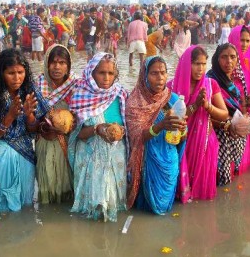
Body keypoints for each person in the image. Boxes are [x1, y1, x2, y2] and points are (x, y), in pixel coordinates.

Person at [0, 49, 49, 212]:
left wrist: (30, 115)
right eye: (11, 73)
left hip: (25, 152)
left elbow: (35, 129)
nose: (17, 78)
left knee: (26, 202)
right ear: (2, 72)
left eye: (20, 72)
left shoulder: (30, 90)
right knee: (2, 203)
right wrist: (9, 116)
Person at [68, 52, 127, 222]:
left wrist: (119, 131)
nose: (106, 78)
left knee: (113, 200)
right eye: (101, 73)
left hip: (115, 156)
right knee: (93, 206)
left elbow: (127, 128)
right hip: (90, 157)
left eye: (110, 73)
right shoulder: (80, 96)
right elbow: (76, 133)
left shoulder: (120, 94)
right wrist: (97, 129)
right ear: (92, 73)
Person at [126, 56, 187, 214]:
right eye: (154, 73)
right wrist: (160, 126)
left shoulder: (173, 99)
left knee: (166, 208)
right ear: (144, 76)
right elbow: (135, 137)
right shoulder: (135, 102)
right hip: (147, 160)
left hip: (169, 159)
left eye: (163, 73)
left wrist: (183, 130)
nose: (160, 78)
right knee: (145, 210)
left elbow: (182, 138)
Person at [169, 45, 229, 202]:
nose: (200, 69)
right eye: (196, 64)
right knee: (177, 192)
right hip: (180, 142)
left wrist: (207, 106)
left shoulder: (210, 85)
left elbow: (224, 114)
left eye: (204, 64)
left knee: (200, 196)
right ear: (186, 63)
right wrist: (194, 106)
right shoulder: (171, 87)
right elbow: (171, 119)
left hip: (204, 145)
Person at [35, 45, 78, 204]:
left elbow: (80, 117)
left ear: (68, 66)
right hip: (44, 140)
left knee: (66, 182)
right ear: (47, 64)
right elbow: (32, 118)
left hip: (67, 142)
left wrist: (66, 126)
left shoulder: (76, 86)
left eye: (62, 62)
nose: (57, 67)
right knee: (47, 181)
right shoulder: (37, 85)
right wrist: (44, 127)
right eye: (53, 62)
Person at [206, 43, 250, 185]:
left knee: (233, 174)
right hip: (219, 131)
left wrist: (246, 121)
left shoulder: (239, 78)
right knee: (219, 175)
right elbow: (206, 113)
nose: (229, 61)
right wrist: (228, 124)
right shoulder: (210, 80)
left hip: (236, 131)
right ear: (217, 59)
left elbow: (242, 103)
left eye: (232, 57)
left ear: (238, 58)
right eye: (224, 57)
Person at [228, 25, 250, 173]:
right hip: (231, 113)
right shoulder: (228, 63)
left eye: (248, 40)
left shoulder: (248, 61)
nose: (245, 44)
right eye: (241, 40)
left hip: (246, 113)